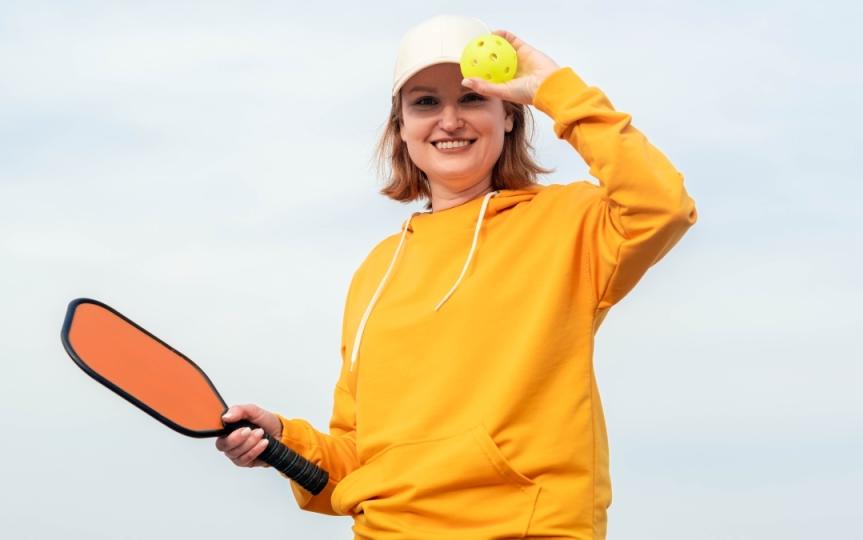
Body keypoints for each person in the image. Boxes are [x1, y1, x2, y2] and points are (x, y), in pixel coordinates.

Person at [215, 14, 697, 539]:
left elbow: (661, 206)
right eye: (425, 102)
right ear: (401, 126)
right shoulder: (377, 270)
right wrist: (283, 441)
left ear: (510, 115)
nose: (449, 120)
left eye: (472, 97)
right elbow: (354, 464)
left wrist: (554, 88)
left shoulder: (568, 224)